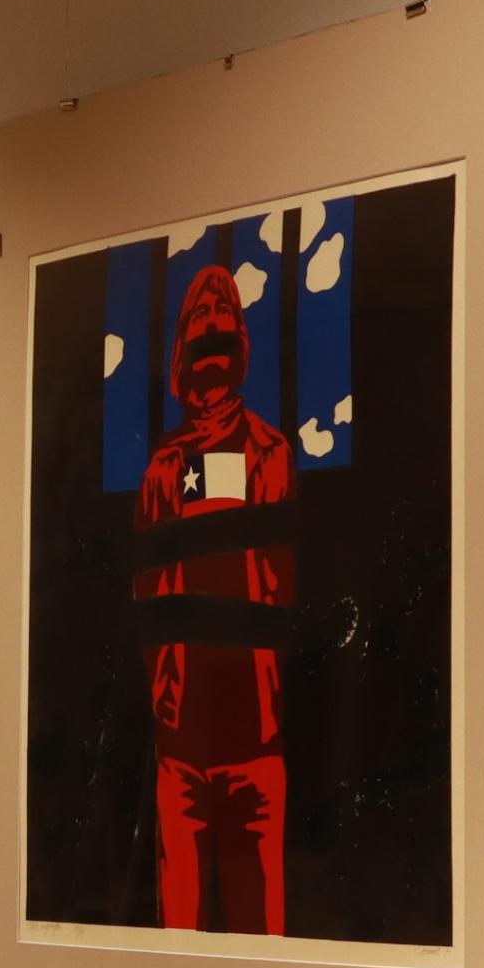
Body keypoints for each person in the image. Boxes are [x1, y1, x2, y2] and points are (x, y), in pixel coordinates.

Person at [133, 261, 294, 933]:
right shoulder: (161, 469)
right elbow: (147, 595)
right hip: (182, 746)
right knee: (181, 944)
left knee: (264, 941)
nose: (212, 324)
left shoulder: (271, 453)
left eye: (223, 312)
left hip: (255, 737)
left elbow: (281, 579)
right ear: (181, 352)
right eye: (199, 315)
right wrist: (167, 692)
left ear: (239, 343)